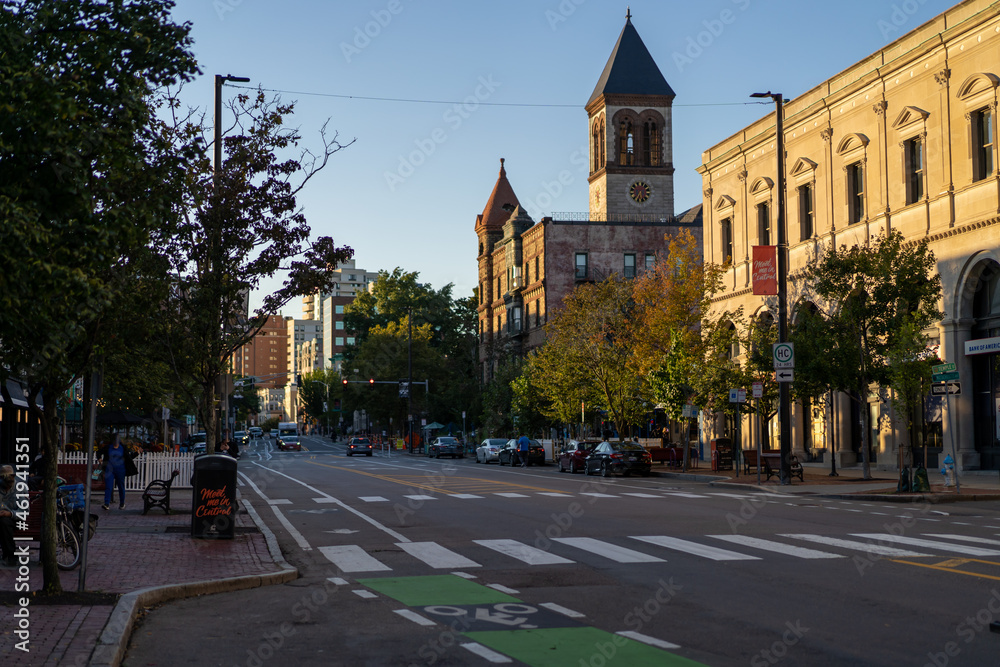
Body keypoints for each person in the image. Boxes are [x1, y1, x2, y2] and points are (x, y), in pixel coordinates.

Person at [98, 435, 137, 510]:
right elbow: (99, 452)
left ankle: (122, 503)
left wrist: (137, 453)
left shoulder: (123, 448)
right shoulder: (108, 447)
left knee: (121, 486)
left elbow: (129, 457)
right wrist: (99, 458)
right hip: (109, 470)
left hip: (120, 470)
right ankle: (106, 503)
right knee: (108, 486)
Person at [1, 465, 18, 566]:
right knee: (3, 522)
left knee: (4, 522)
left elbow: (24, 511)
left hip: (16, 519)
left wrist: (10, 513)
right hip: (2, 519)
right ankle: (8, 555)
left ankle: (10, 555)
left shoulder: (19, 489)